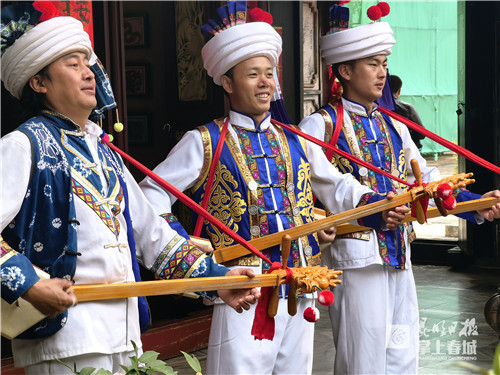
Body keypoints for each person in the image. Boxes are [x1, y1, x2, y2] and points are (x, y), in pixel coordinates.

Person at [139, 6, 409, 375]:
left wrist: (372, 204)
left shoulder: (293, 137)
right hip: (244, 291)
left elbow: (335, 183)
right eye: (253, 74)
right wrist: (182, 240)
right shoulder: (203, 141)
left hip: (300, 286)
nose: (266, 82)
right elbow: (149, 195)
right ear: (228, 83)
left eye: (270, 73)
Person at [0, 5, 260, 374]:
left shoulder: (105, 153)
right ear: (39, 82)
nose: (88, 73)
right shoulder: (22, 145)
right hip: (65, 338)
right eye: (72, 64)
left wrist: (218, 280)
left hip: (125, 334)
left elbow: (156, 239)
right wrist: (28, 284)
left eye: (87, 63)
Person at [299, 16, 500, 375]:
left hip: (399, 253)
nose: (382, 73)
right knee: (364, 359)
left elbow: (425, 175)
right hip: (357, 257)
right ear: (344, 70)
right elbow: (329, 183)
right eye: (372, 64)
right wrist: (371, 205)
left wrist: (476, 203)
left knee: (402, 355)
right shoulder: (320, 126)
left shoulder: (393, 125)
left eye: (384, 64)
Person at [390, 74, 426, 149]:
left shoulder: (375, 108)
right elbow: (421, 134)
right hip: (407, 151)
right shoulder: (407, 108)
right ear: (399, 91)